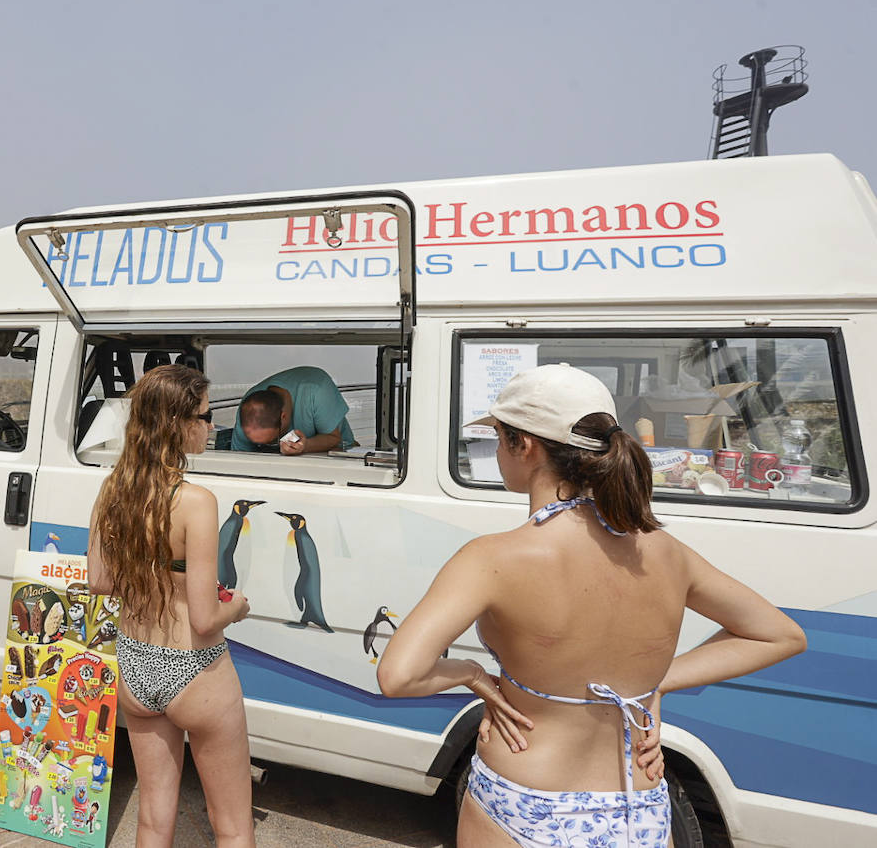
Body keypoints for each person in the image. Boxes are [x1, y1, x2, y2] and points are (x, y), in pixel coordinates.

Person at [376, 363, 806, 848]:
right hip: (638, 804)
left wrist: (473, 675)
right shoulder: (663, 550)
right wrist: (651, 687)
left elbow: (399, 676)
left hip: (525, 797)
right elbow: (780, 634)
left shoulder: (491, 558)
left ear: (526, 445)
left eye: (498, 437)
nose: (496, 451)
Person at [88, 364, 255, 847]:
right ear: (177, 424)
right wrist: (238, 606)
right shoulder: (197, 501)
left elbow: (99, 582)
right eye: (205, 415)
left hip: (136, 663)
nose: (211, 425)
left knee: (153, 820)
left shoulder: (112, 489)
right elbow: (205, 618)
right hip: (195, 668)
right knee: (232, 828)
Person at [230, 365, 355, 455]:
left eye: (272, 441)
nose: (271, 447)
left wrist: (305, 446)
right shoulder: (248, 406)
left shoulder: (316, 390)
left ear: (283, 417)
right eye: (257, 444)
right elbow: (240, 457)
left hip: (336, 454)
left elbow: (333, 438)